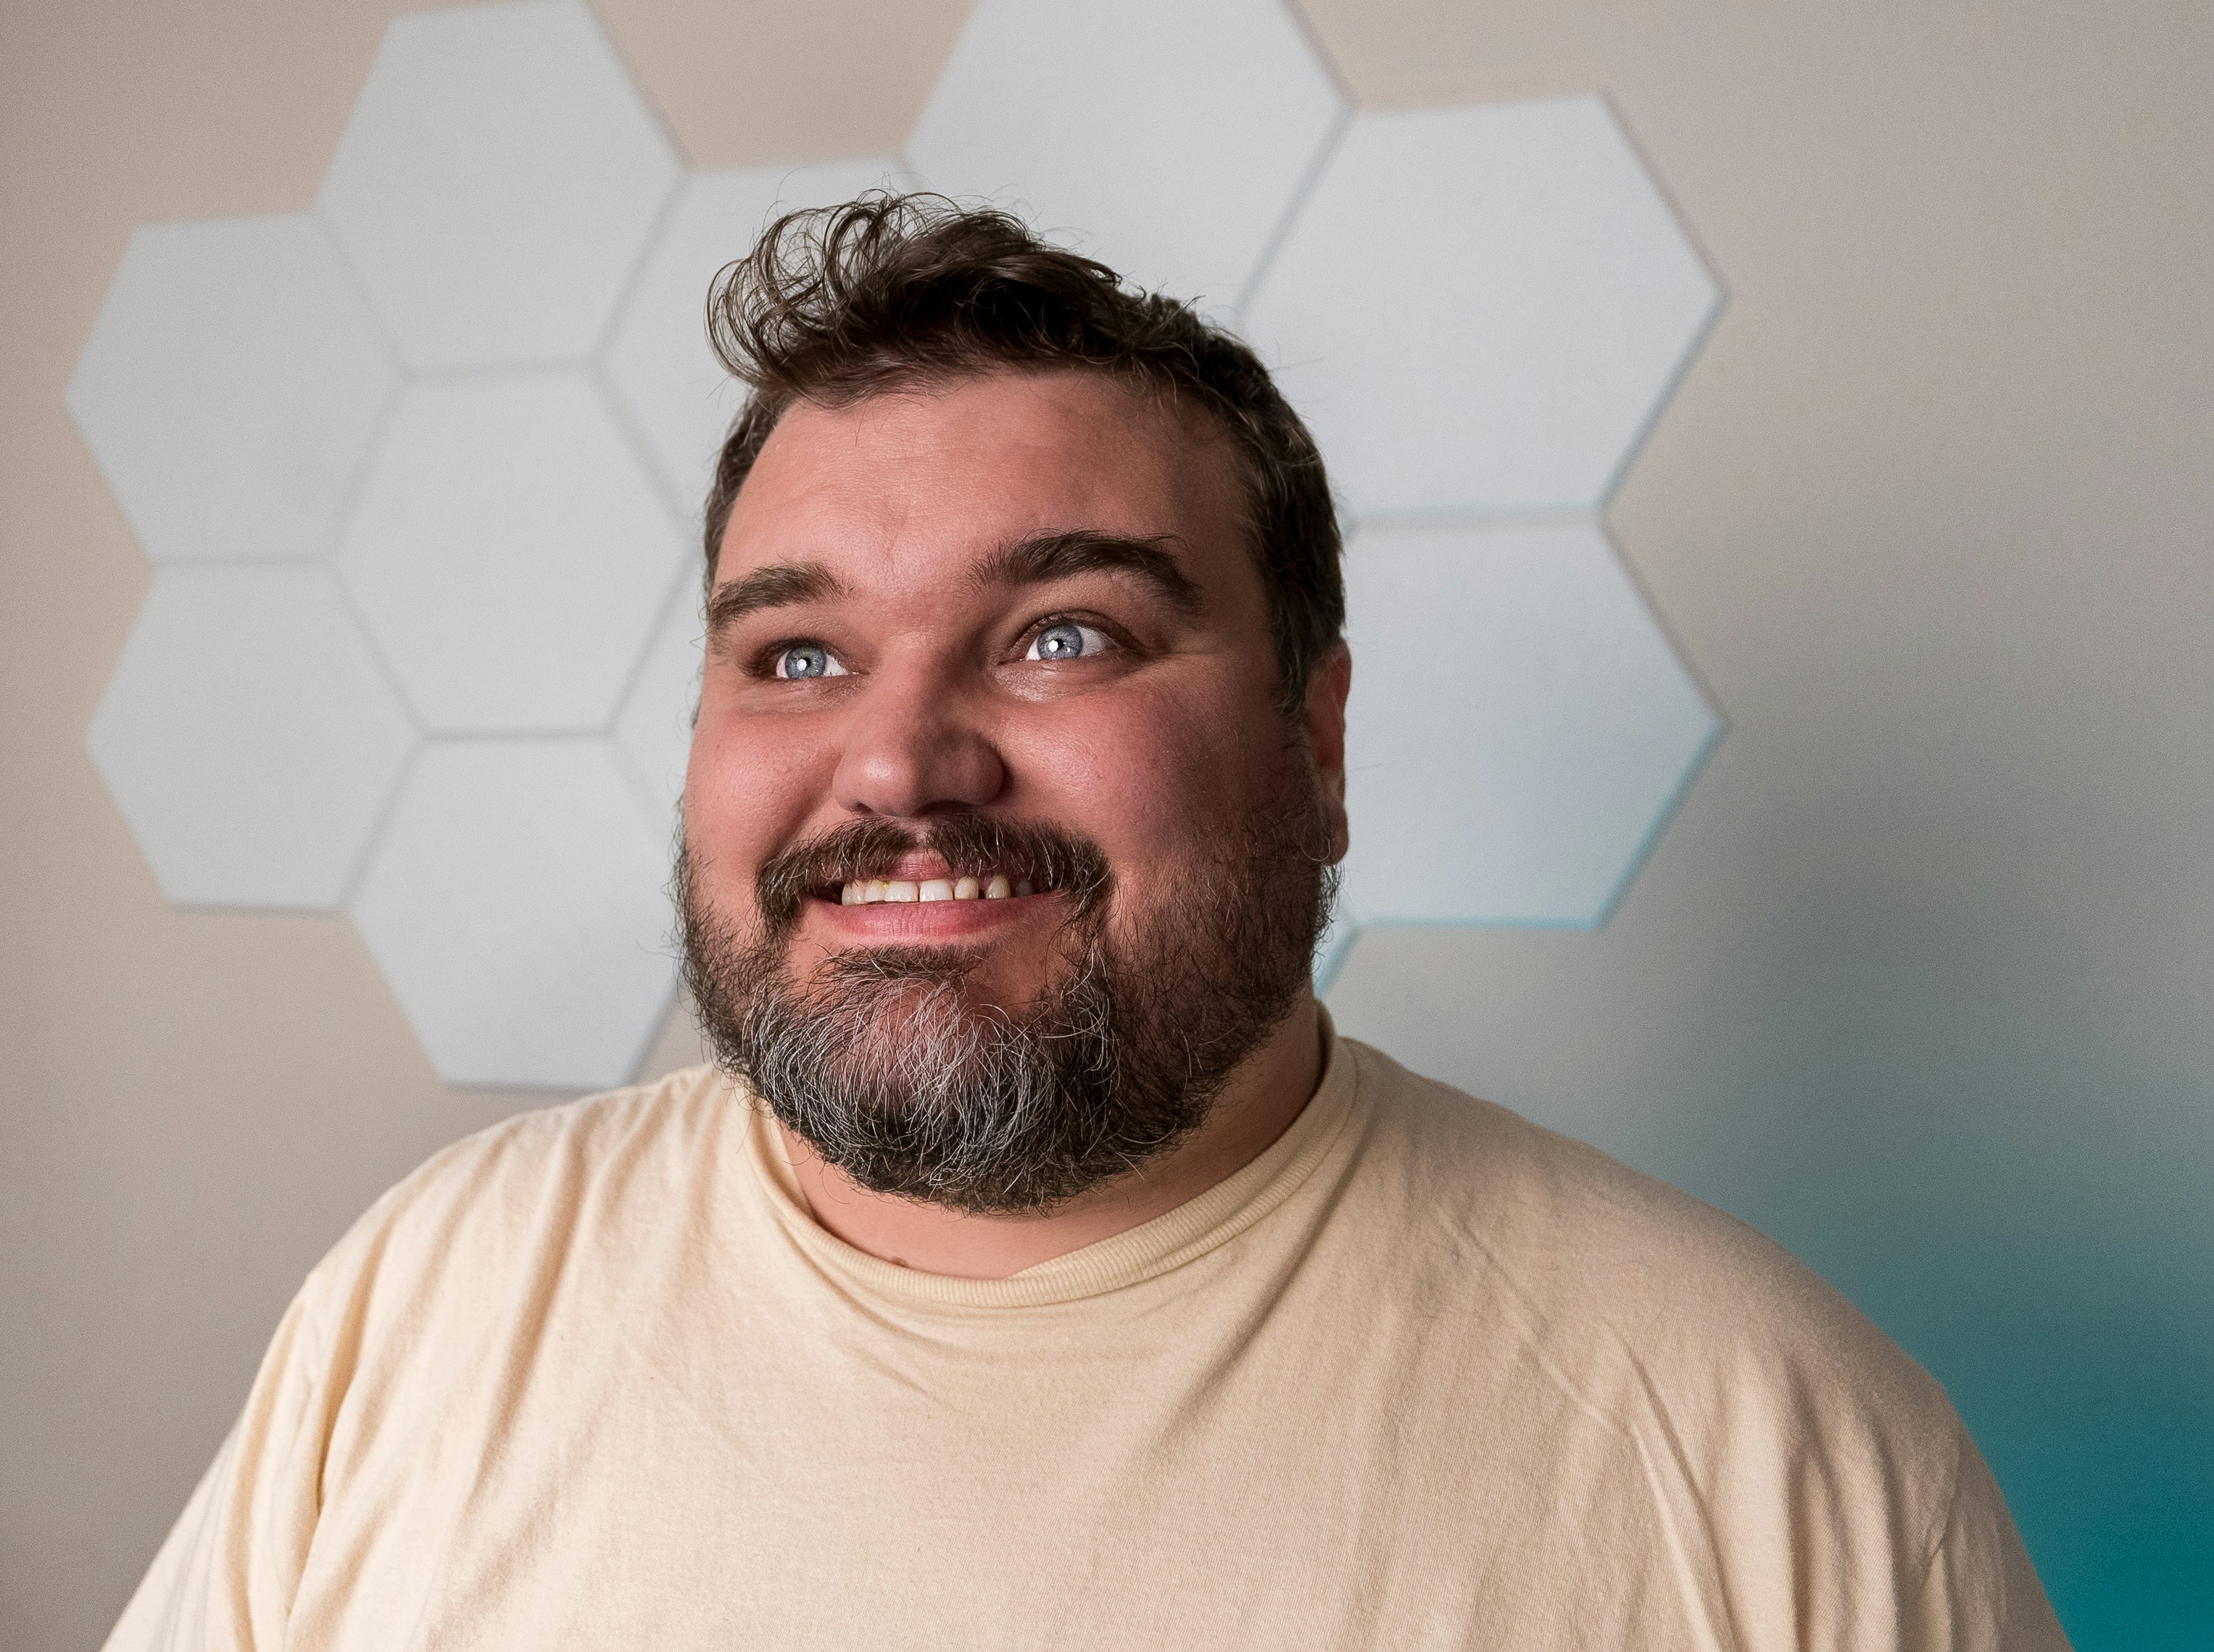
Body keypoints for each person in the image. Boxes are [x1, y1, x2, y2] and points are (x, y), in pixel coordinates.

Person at [104, 196, 2067, 1651]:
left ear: (1314, 736)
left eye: (1062, 633)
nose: (897, 765)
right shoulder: (428, 1303)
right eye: (794, 651)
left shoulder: (1773, 1451)